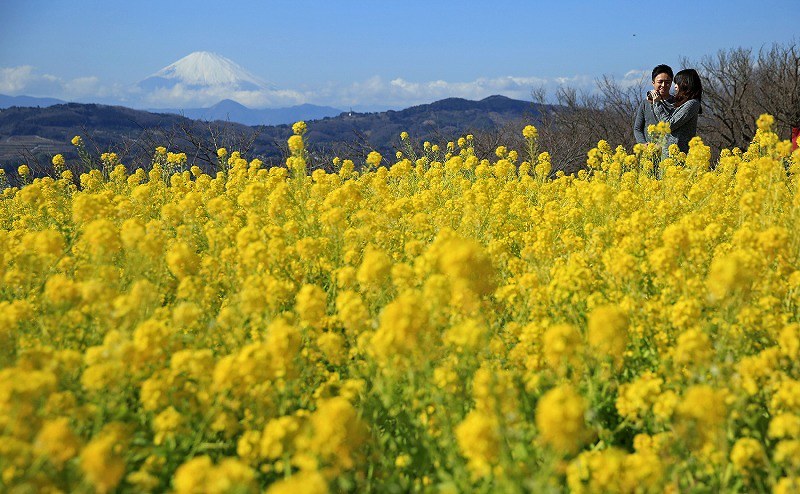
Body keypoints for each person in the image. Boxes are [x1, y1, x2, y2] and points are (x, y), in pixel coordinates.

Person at [651, 68, 703, 153]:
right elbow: (668, 115)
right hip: (670, 155)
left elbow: (668, 124)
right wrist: (657, 100)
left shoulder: (692, 104)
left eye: (677, 83)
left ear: (685, 84)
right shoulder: (684, 103)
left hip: (679, 154)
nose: (675, 86)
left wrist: (657, 104)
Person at [633, 64, 674, 144]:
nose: (663, 85)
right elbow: (637, 128)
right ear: (653, 83)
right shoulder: (645, 103)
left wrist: (657, 103)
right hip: (649, 151)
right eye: (660, 82)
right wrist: (643, 143)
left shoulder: (676, 103)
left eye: (667, 82)